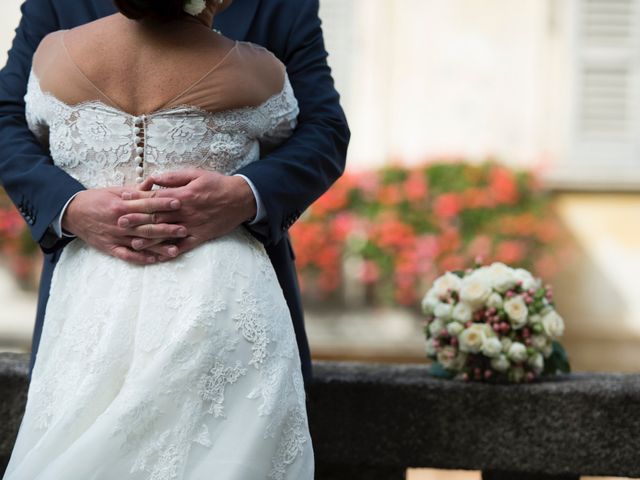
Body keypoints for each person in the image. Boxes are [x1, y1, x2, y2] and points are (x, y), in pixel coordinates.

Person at [2, 0, 349, 478]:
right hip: (94, 301)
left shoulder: (285, 5)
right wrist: (71, 207)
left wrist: (245, 194)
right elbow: (5, 120)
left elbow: (326, 130)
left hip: (224, 306)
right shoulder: (57, 4)